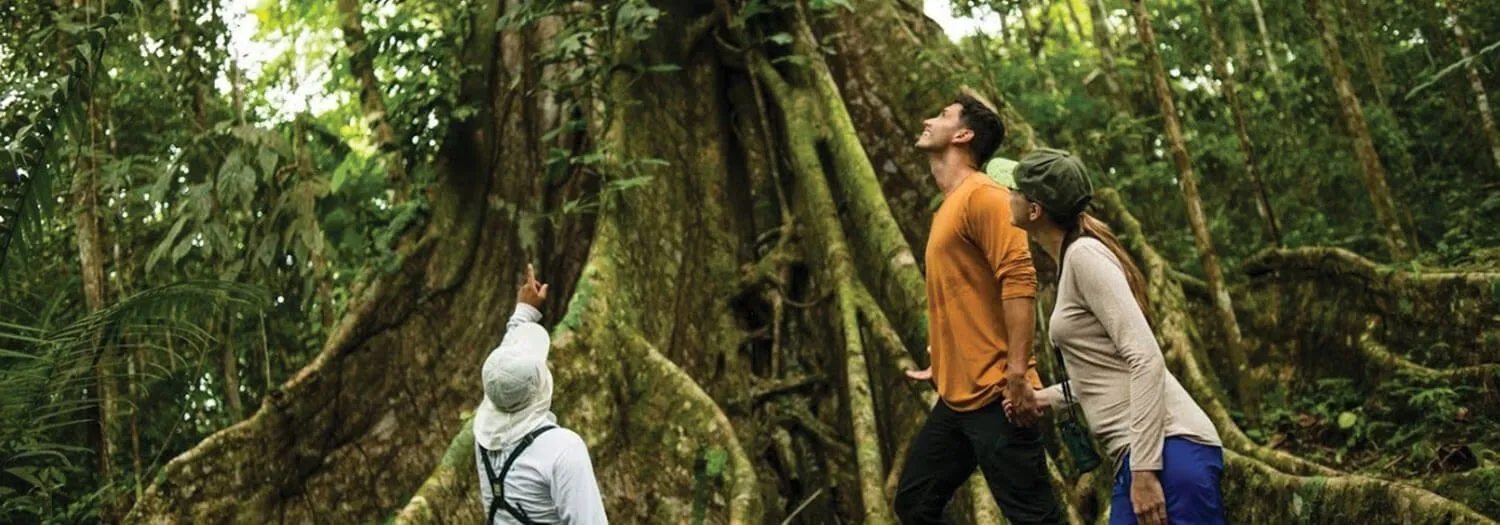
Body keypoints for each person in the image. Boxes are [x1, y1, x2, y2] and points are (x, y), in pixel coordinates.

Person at [1003, 149, 1225, 525]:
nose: (1007, 194)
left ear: (1035, 210)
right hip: (1143, 456)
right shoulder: (1072, 260)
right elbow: (1107, 369)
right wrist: (1044, 398)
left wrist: (1144, 469)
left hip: (1169, 452)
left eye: (1014, 189)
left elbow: (1146, 359)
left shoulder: (1085, 256)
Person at [894, 93, 1062, 525]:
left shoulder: (984, 195)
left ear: (964, 135)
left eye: (943, 115)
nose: (929, 119)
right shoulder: (949, 207)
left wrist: (1018, 374)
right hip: (958, 397)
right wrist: (947, 356)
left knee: (1035, 519)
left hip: (999, 395)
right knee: (914, 504)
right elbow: (965, 295)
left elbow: (1020, 278)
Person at [474, 264, 608, 524]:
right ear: (540, 389)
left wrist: (523, 312)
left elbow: (504, 372)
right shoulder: (563, 450)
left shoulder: (482, 433)